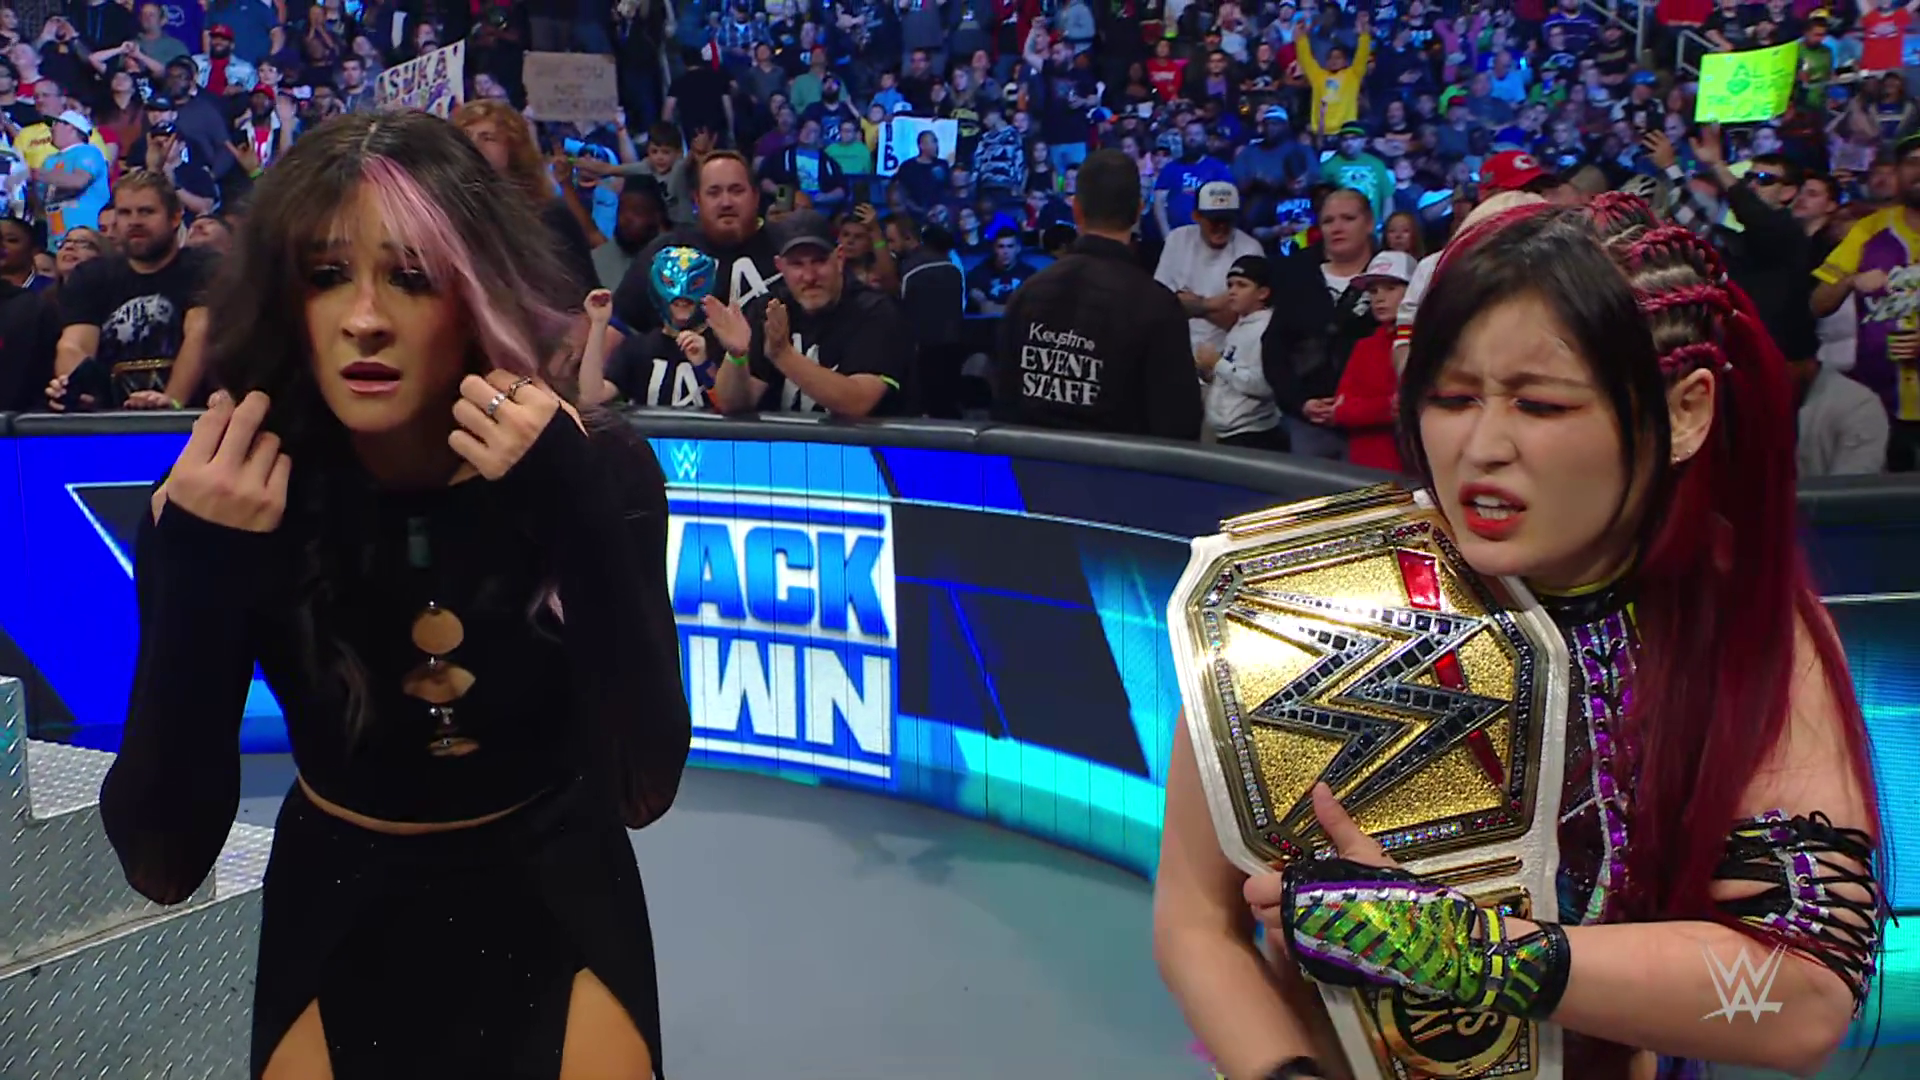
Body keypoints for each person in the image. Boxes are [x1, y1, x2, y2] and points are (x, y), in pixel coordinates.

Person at [1156, 194, 1884, 1080]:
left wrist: (1463, 952)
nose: (1482, 447)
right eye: (1452, 397)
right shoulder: (1297, 603)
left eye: (1539, 405)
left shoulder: (1735, 617)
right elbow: (1196, 921)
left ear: (1686, 413)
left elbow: (1802, 999)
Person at [98, 110, 690, 1080]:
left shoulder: (594, 468)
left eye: (410, 276)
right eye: (326, 275)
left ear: (475, 289)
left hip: (557, 887)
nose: (364, 318)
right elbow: (162, 861)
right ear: (285, 299)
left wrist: (574, 504)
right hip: (341, 901)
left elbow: (643, 785)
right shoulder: (228, 500)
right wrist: (197, 574)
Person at [991, 148, 1201, 439]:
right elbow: (1179, 424)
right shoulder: (1158, 306)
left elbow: (1004, 407)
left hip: (1032, 464)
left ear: (1076, 209)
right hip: (1120, 465)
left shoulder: (1029, 293)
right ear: (1138, 210)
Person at [706, 208, 911, 417]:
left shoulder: (876, 312)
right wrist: (736, 357)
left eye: (819, 261)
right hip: (781, 439)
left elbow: (857, 402)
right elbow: (734, 404)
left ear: (839, 259)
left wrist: (783, 355)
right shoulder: (769, 310)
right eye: (797, 264)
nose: (809, 276)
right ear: (780, 267)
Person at [45, 171, 215, 410]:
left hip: (192, 418)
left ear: (175, 217)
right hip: (109, 418)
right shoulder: (91, 275)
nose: (134, 221)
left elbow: (200, 332)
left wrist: (170, 404)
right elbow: (74, 344)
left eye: (146, 211)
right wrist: (75, 387)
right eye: (125, 213)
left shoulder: (203, 266)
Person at [612, 150, 781, 332]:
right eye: (714, 193)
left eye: (736, 191)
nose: (726, 202)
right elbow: (616, 326)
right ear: (697, 201)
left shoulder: (785, 248)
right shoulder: (666, 252)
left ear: (756, 197)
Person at [452, 100, 599, 304]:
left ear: (512, 148)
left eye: (487, 137)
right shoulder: (449, 216)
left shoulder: (550, 215)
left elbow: (588, 294)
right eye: (466, 136)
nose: (474, 145)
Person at [585, 246, 723, 409]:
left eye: (695, 284)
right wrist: (598, 325)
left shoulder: (722, 346)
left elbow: (733, 407)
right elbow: (592, 397)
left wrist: (705, 366)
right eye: (670, 283)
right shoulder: (637, 349)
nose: (682, 298)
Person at [1324, 249, 1413, 471]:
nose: (1379, 298)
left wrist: (1367, 409)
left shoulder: (1429, 342)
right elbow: (1341, 410)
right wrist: (1388, 407)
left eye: (1391, 288)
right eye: (1373, 291)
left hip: (1413, 471)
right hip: (1365, 470)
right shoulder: (1365, 346)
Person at [1156, 181, 1265, 356]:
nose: (1221, 227)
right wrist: (1218, 304)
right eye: (1214, 220)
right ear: (1196, 216)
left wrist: (1199, 306)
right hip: (1176, 349)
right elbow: (1161, 303)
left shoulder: (1250, 249)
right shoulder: (1177, 239)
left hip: (1228, 354)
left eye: (1226, 220)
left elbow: (1241, 322)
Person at [1196, 254, 1285, 450]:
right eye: (1230, 285)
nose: (1232, 291)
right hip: (1229, 433)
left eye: (1241, 285)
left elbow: (1263, 385)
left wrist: (1217, 363)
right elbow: (1234, 372)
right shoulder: (1240, 326)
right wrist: (1209, 372)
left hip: (1253, 436)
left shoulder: (1266, 329)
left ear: (1263, 293)